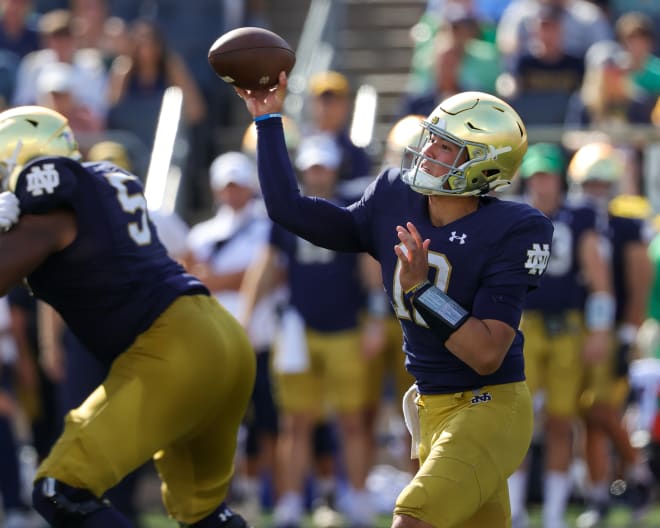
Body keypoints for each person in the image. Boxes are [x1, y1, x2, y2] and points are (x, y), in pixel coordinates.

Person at [235, 71, 554, 527]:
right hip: (431, 407)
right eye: (431, 139)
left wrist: (422, 291)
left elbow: (486, 353)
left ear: (485, 164)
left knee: (411, 518)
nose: (428, 152)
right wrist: (267, 120)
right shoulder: (393, 196)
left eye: (445, 147)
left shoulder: (516, 228)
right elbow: (289, 210)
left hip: (488, 405)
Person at [0, 105, 255, 528]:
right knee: (204, 515)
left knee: (63, 490)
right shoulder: (100, 182)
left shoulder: (52, 201)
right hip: (218, 336)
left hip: (174, 347)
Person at [240, 133, 374, 528]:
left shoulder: (353, 208)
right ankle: (292, 500)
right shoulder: (289, 213)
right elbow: (266, 265)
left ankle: (357, 496)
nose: (317, 174)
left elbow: (370, 268)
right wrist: (247, 317)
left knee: (352, 419)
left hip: (346, 326)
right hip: (299, 327)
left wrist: (376, 318)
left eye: (323, 166)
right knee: (295, 422)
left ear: (334, 169)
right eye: (312, 167)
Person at [506, 142, 613, 528]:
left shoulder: (578, 216)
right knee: (518, 420)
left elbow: (598, 275)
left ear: (560, 179)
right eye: (535, 175)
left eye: (547, 175)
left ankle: (552, 514)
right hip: (523, 325)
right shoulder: (513, 215)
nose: (541, 184)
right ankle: (515, 511)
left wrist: (600, 328)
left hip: (567, 325)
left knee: (561, 421)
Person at [566, 142, 654, 527]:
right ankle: (600, 493)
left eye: (604, 181)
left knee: (601, 408)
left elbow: (638, 285)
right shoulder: (572, 221)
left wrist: (626, 334)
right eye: (591, 182)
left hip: (611, 329)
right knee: (585, 414)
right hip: (578, 330)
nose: (597, 189)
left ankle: (640, 473)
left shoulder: (626, 225)